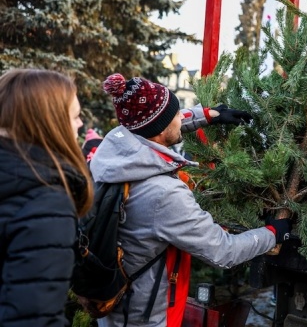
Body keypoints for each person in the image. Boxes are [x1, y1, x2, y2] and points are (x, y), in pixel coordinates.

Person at [89, 73, 291, 326]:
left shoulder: (114, 151)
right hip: (145, 318)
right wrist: (273, 233)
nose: (181, 117)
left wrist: (208, 115)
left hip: (117, 305)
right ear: (160, 127)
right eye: (175, 114)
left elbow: (159, 124)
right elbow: (223, 251)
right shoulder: (164, 194)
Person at [0, 68, 94, 326]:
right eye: (74, 116)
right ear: (49, 122)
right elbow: (34, 318)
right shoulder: (46, 200)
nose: (80, 124)